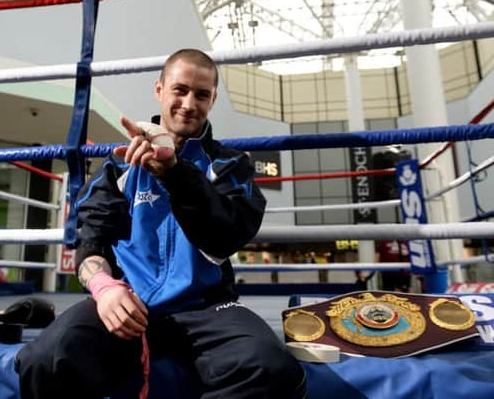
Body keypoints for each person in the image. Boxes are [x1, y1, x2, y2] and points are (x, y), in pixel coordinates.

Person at [15, 49, 305, 399]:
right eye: (179, 90)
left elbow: (226, 236)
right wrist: (104, 288)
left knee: (272, 370)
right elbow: (90, 238)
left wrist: (175, 173)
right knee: (46, 358)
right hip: (128, 303)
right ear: (159, 90)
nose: (188, 103)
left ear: (212, 100)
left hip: (208, 309)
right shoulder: (120, 167)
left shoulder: (230, 165)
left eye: (201, 94)